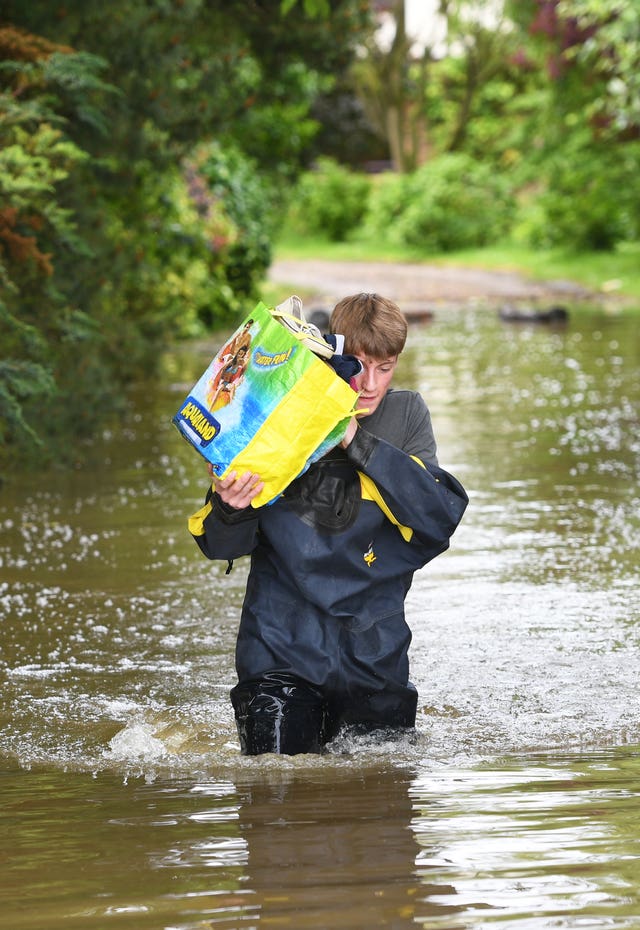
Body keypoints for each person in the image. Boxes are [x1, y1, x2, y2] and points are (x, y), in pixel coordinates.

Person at [189, 293, 468, 755]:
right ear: (332, 354)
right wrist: (231, 507)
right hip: (279, 652)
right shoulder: (274, 417)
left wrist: (355, 439)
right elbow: (220, 547)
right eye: (359, 366)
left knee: (381, 802)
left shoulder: (407, 415)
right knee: (275, 801)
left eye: (387, 367)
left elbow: (436, 520)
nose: (371, 385)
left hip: (373, 658)